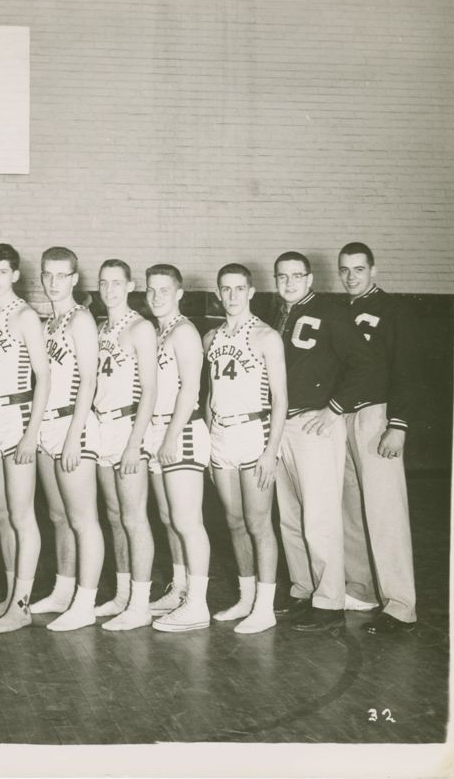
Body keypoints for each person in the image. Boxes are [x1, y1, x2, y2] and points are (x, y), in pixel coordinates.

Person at [272, 251, 372, 633]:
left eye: (297, 276)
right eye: (282, 277)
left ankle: (330, 601)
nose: (289, 283)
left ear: (310, 279)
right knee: (290, 517)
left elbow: (364, 363)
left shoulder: (331, 312)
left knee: (320, 517)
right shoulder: (279, 315)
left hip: (315, 425)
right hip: (282, 426)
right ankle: (304, 589)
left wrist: (333, 409)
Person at [337, 242, 417, 635]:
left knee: (385, 511)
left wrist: (398, 424)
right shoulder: (339, 311)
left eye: (359, 269)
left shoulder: (391, 309)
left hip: (376, 415)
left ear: (374, 270)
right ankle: (361, 589)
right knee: (348, 507)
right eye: (345, 270)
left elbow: (406, 367)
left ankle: (401, 604)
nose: (351, 276)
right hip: (341, 416)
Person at [204, 263, 287, 635]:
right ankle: (246, 596)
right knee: (234, 521)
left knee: (258, 523)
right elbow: (209, 395)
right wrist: (207, 439)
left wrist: (271, 451)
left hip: (254, 433)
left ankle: (265, 607)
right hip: (221, 435)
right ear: (218, 293)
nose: (232, 296)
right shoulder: (212, 338)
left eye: (239, 289)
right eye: (226, 289)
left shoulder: (268, 337)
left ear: (252, 292)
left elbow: (281, 399)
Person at [0, 244, 50, 634]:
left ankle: (22, 604)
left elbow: (44, 378)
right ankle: (9, 594)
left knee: (21, 515)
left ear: (16, 275)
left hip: (17, 416)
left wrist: (30, 433)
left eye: (2, 271)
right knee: (0, 513)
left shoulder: (25, 316)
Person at [32, 247, 103, 632]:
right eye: (48, 275)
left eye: (62, 275)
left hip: (73, 427)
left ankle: (86, 602)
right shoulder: (47, 324)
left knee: (83, 519)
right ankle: (63, 590)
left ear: (75, 278)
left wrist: (74, 436)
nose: (54, 282)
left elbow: (89, 380)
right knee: (58, 516)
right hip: (47, 426)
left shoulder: (81, 321)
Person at [143, 264, 212, 633]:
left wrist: (170, 435)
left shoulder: (184, 332)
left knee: (188, 520)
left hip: (181, 429)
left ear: (179, 293)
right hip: (159, 430)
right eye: (151, 290)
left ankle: (198, 605)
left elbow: (191, 390)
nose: (156, 297)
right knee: (170, 518)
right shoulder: (158, 332)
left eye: (164, 290)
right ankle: (181, 587)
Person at [92, 259, 158, 631]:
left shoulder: (140, 327)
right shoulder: (102, 328)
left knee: (134, 517)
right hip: (102, 426)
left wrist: (135, 443)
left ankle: (141, 603)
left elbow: (150, 389)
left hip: (129, 426)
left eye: (117, 283)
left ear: (130, 286)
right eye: (104, 283)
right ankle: (121, 593)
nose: (110, 290)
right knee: (115, 516)